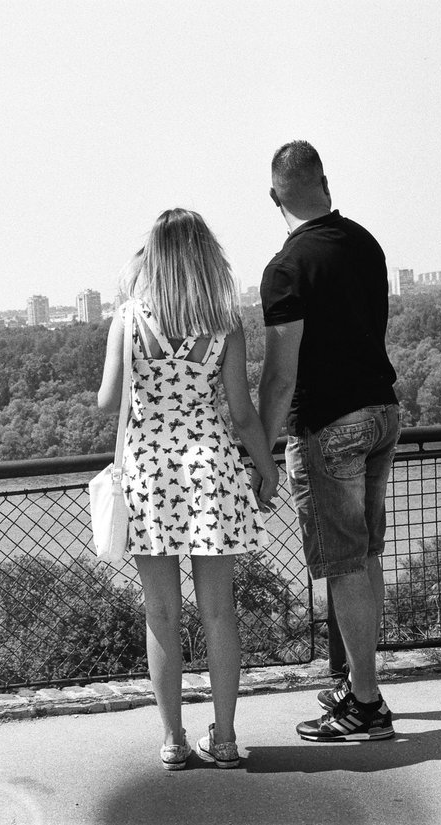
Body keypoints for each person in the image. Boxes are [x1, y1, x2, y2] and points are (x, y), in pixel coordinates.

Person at [97, 208, 279, 770]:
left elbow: (107, 401)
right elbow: (243, 413)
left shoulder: (128, 320)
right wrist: (266, 464)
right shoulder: (224, 321)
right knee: (219, 613)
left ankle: (173, 740)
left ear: (156, 256)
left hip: (151, 470)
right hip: (212, 468)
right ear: (206, 256)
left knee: (162, 615)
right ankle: (224, 739)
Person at [255, 141, 400, 742]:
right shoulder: (365, 243)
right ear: (324, 182)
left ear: (274, 198)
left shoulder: (286, 270)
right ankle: (359, 685)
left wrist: (260, 452)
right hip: (383, 413)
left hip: (330, 428)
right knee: (364, 557)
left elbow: (281, 375)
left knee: (342, 566)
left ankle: (365, 705)